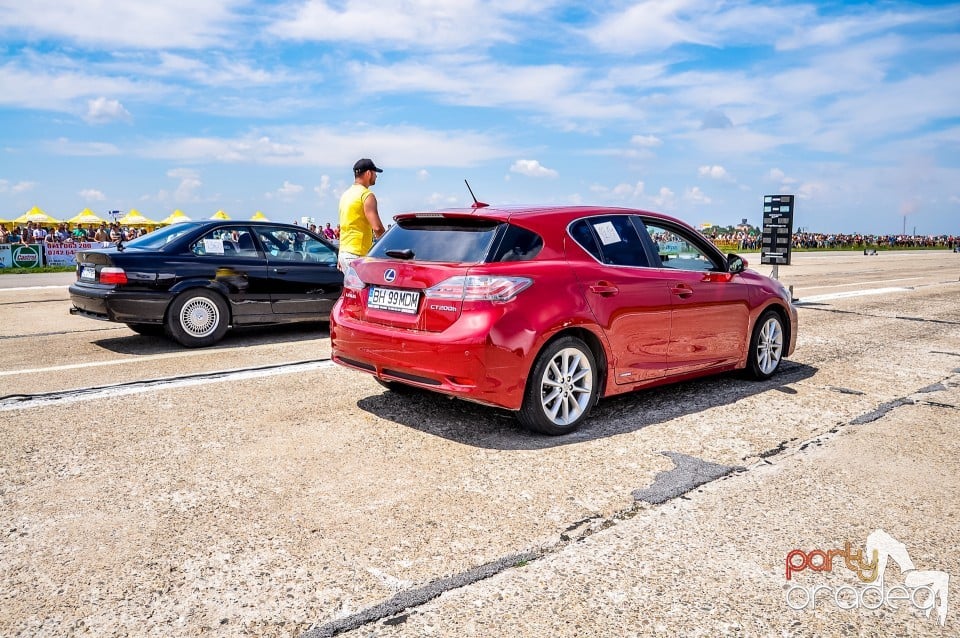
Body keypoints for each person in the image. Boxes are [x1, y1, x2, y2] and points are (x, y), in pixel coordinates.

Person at [337, 158, 386, 271]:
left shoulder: (346, 195)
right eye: (375, 173)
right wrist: (387, 247)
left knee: (351, 288)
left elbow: (345, 227)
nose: (376, 176)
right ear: (368, 173)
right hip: (358, 254)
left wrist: (341, 253)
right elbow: (377, 228)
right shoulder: (366, 195)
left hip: (344, 253)